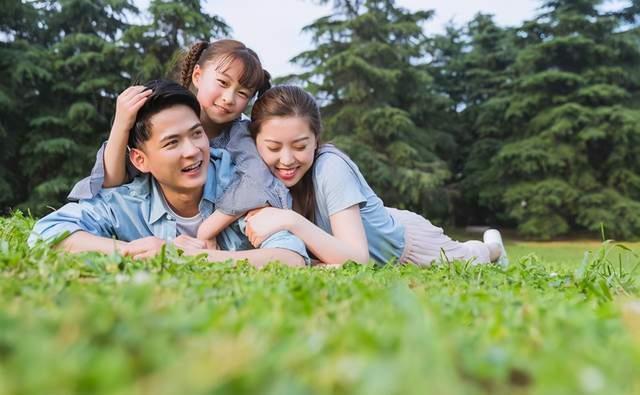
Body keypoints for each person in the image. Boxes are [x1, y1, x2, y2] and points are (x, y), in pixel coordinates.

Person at [29, 80, 309, 268]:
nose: (193, 151)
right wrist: (133, 250)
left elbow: (292, 256)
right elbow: (46, 234)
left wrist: (194, 256)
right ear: (140, 159)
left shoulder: (239, 186)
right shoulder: (128, 202)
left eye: (197, 134)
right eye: (172, 142)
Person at [243, 85, 509, 267]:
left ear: (316, 139)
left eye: (300, 146)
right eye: (274, 147)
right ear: (256, 142)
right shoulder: (259, 173)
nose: (287, 159)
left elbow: (358, 259)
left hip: (407, 247)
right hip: (373, 224)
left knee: (473, 258)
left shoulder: (330, 167)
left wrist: (290, 220)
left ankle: (493, 246)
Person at [67, 39, 288, 249]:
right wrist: (121, 124)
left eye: (242, 93)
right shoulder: (166, 112)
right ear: (198, 75)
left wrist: (207, 230)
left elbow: (258, 182)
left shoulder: (241, 136)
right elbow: (111, 183)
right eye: (222, 83)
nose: (229, 98)